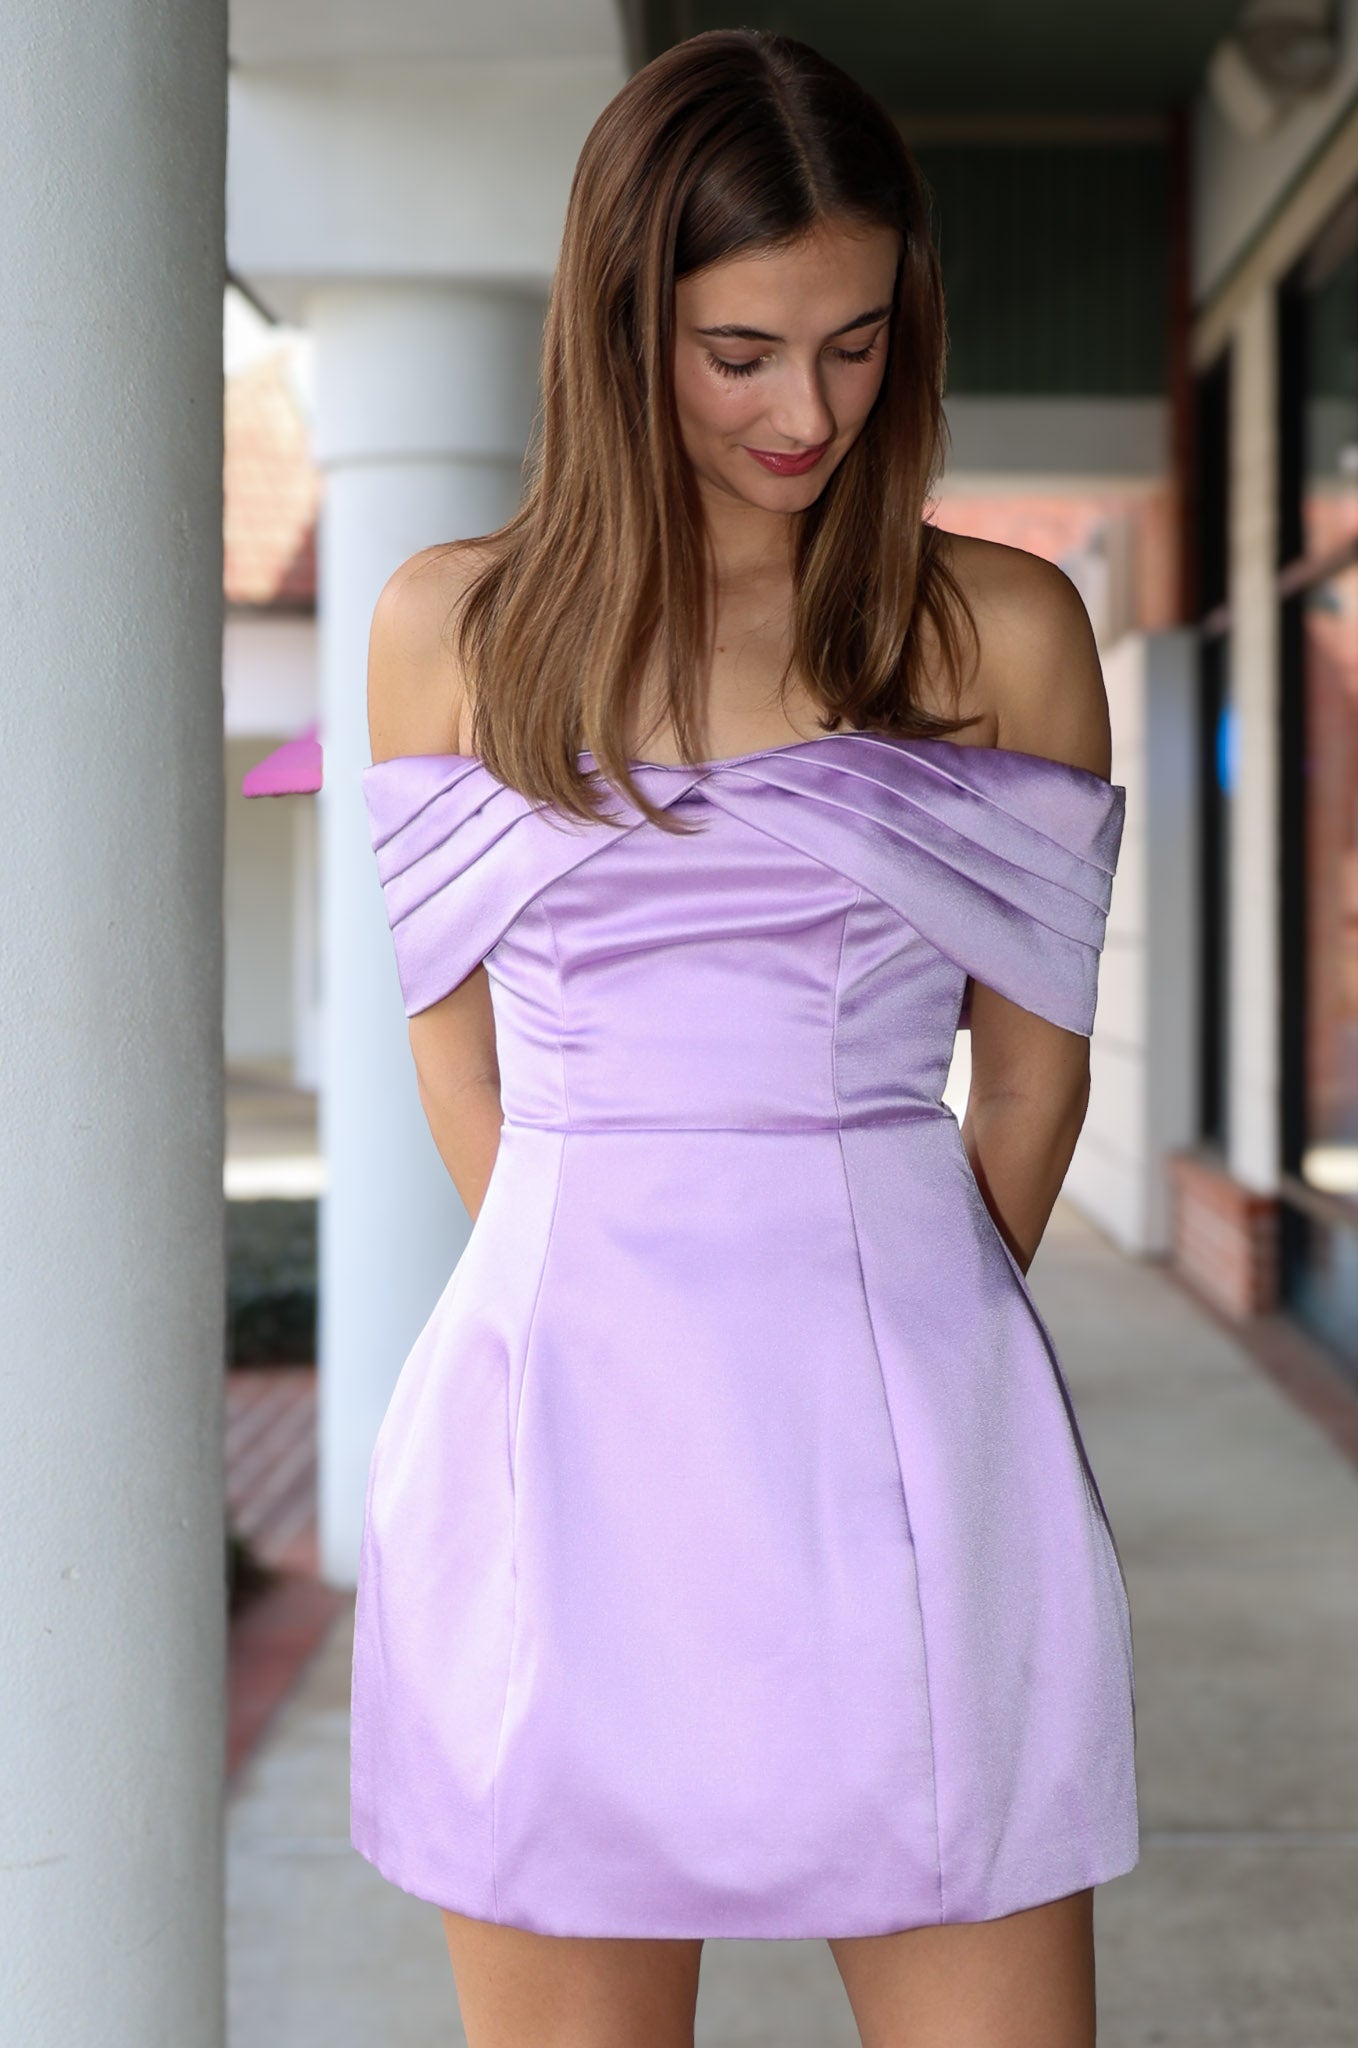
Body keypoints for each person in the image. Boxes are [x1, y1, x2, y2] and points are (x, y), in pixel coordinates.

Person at [354, 27, 1138, 2048]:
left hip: (904, 1449)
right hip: (559, 1457)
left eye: (857, 343)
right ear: (621, 331)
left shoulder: (1002, 632)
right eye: (740, 353)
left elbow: (1033, 1075)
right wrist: (588, 1310)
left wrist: (893, 1350)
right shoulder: (449, 628)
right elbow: (451, 1054)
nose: (809, 408)